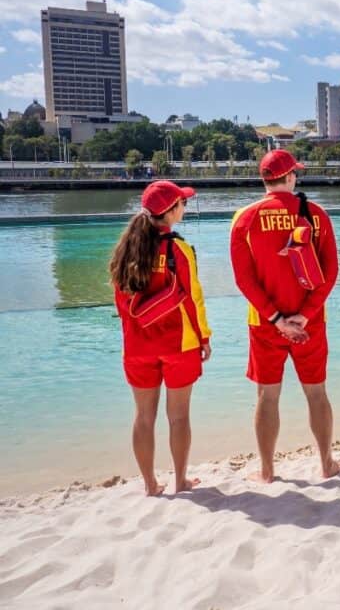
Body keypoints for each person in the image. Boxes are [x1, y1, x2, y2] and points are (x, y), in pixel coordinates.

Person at [230, 150, 340, 483]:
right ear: (291, 176)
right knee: (317, 393)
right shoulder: (317, 214)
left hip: (265, 324)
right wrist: (305, 315)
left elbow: (243, 279)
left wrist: (276, 318)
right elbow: (331, 272)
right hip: (311, 323)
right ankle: (326, 464)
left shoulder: (245, 218)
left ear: (264, 179)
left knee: (267, 396)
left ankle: (267, 471)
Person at [110, 181, 211, 496]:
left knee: (143, 416)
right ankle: (180, 481)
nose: (185, 207)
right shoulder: (177, 248)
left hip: (137, 346)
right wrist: (204, 337)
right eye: (183, 203)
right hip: (179, 344)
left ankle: (150, 485)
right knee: (179, 416)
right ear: (170, 211)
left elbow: (122, 303)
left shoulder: (126, 248)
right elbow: (193, 298)